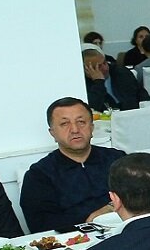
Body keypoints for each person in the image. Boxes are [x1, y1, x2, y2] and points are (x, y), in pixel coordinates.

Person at [18, 97, 123, 232]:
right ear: (52, 133)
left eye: (81, 122)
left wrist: (109, 207)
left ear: (92, 127)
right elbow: (41, 225)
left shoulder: (118, 159)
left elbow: (142, 197)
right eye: (64, 124)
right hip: (76, 238)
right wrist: (91, 218)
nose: (75, 129)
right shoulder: (39, 175)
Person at [83, 46, 147, 112]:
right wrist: (98, 82)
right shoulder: (83, 85)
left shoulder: (121, 72)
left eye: (105, 63)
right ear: (86, 69)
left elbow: (142, 95)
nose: (105, 68)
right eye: (98, 66)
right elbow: (93, 107)